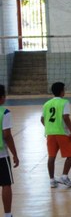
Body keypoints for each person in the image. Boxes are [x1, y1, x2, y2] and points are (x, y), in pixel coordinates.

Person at [41, 82, 71, 188]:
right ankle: (64, 177)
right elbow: (66, 117)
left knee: (51, 157)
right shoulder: (64, 102)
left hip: (50, 133)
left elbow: (42, 119)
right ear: (62, 91)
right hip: (62, 133)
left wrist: (49, 127)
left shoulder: (46, 104)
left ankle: (52, 180)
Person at [0, 85, 19, 217]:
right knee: (6, 183)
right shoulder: (4, 112)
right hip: (1, 155)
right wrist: (15, 154)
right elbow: (7, 135)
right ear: (2, 98)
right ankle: (7, 215)